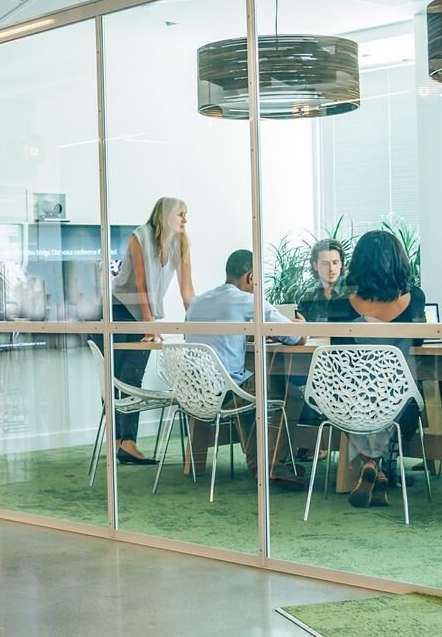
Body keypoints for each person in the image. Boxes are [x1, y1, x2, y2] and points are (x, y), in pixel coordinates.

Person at [317, 229, 427, 508]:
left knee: (352, 400)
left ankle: (370, 464)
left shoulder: (340, 302)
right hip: (399, 400)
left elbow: (337, 351)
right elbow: (419, 341)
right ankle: (377, 466)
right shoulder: (415, 298)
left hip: (349, 402)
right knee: (403, 401)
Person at [186, 250, 307, 490]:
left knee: (253, 384)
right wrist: (300, 326)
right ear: (251, 277)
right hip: (228, 391)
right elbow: (297, 337)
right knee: (289, 394)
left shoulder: (197, 302)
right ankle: (272, 465)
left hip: (195, 390)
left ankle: (258, 465)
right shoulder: (246, 300)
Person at [109, 196, 195, 465]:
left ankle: (126, 443)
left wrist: (197, 324)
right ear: (165, 215)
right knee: (116, 379)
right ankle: (121, 442)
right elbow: (141, 285)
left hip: (144, 313)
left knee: (131, 376)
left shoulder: (181, 243)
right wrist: (149, 326)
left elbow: (187, 290)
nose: (184, 220)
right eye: (180, 214)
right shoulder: (140, 236)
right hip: (118, 308)